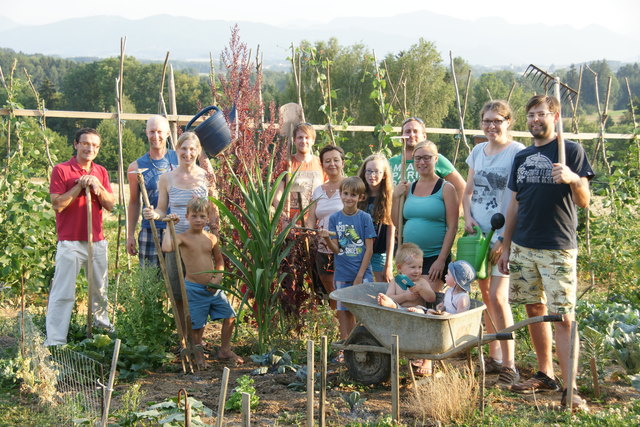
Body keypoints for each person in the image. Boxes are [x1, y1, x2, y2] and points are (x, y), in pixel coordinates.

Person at [498, 95, 594, 410]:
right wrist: (507, 244)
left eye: (541, 114)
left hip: (557, 247)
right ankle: (545, 373)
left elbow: (584, 201)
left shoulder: (572, 151)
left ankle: (571, 389)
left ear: (554, 116)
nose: (535, 120)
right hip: (524, 245)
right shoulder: (522, 156)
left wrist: (572, 179)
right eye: (531, 115)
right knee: (534, 309)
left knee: (564, 317)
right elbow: (514, 204)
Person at [462, 100, 525, 387]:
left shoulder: (517, 152)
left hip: (502, 237)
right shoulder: (477, 151)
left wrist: (504, 239)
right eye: (487, 121)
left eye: (497, 121)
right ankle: (494, 356)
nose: (491, 126)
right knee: (486, 297)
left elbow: (518, 199)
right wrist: (468, 218)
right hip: (478, 237)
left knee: (500, 298)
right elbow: (468, 191)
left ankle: (510, 365)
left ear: (508, 122)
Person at [45, 128, 115, 346]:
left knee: (100, 290)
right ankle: (55, 341)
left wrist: (97, 186)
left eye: (94, 145)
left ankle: (102, 335)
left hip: (97, 241)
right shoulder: (62, 170)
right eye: (85, 143)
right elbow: (58, 204)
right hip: (71, 242)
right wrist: (79, 186)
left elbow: (110, 204)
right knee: (63, 292)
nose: (90, 148)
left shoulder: (101, 171)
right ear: (76, 144)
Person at [143, 131, 217, 338]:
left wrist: (215, 236)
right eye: (183, 149)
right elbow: (161, 209)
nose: (188, 153)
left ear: (198, 152)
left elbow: (214, 210)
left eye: (192, 149)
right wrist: (153, 214)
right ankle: (184, 339)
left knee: (199, 291)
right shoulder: (166, 178)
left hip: (200, 244)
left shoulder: (205, 177)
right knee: (177, 292)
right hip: (175, 242)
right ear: (176, 151)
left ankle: (197, 340)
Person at [162, 197, 243, 366]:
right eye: (194, 216)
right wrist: (169, 228)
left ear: (207, 218)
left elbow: (219, 261)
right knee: (197, 324)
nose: (198, 220)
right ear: (187, 217)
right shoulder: (183, 238)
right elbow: (167, 247)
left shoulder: (211, 238)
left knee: (230, 316)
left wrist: (217, 278)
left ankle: (225, 349)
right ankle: (198, 355)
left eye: (202, 216)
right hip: (194, 288)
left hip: (213, 287)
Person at [392, 141, 459, 293]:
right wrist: (395, 197)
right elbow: (398, 223)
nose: (422, 162)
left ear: (436, 159)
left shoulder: (446, 188)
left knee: (425, 299)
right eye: (418, 158)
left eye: (427, 158)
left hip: (434, 257)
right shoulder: (408, 188)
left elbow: (453, 227)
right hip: (410, 259)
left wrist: (441, 260)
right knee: (408, 300)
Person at [319, 176, 376, 343]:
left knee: (364, 310)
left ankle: (364, 342)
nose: (348, 198)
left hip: (362, 272)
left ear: (360, 197)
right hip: (342, 273)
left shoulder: (364, 218)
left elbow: (369, 249)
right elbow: (337, 249)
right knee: (344, 310)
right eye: (345, 194)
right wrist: (327, 239)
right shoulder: (335, 218)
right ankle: (347, 343)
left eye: (353, 195)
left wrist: (360, 276)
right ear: (340, 194)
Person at [126, 115, 179, 266]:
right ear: (146, 133)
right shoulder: (136, 167)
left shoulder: (179, 160)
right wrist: (130, 235)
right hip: (151, 230)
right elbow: (134, 203)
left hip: (177, 228)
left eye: (160, 132)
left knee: (178, 281)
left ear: (168, 133)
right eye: (152, 132)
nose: (156, 136)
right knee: (150, 283)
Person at [389, 117, 466, 205]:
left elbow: (461, 188)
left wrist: (456, 213)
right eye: (407, 131)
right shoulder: (390, 163)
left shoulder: (434, 159)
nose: (411, 135)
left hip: (426, 216)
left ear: (424, 136)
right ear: (401, 136)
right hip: (393, 216)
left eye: (415, 131)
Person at [307, 145, 345, 306]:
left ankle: (351, 327)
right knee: (331, 291)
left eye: (336, 160)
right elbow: (311, 218)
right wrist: (309, 233)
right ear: (322, 165)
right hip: (323, 248)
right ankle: (339, 328)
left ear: (342, 162)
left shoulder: (351, 187)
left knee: (345, 290)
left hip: (345, 248)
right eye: (327, 161)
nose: (332, 164)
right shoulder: (318, 191)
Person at [377, 259, 474, 316]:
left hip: (448, 321)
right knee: (423, 309)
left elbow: (461, 317)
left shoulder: (462, 298)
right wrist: (441, 306)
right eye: (413, 267)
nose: (445, 276)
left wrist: (447, 315)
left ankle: (396, 307)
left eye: (448, 275)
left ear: (456, 281)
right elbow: (445, 304)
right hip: (440, 316)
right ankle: (396, 307)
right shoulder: (449, 291)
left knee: (423, 312)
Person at [274, 122, 326, 224]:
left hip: (316, 224)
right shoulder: (287, 164)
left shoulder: (320, 164)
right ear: (294, 140)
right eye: (300, 137)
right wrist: (284, 218)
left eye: (307, 138)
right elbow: (276, 198)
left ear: (313, 141)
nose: (303, 141)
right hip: (292, 225)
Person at [357, 153, 395, 282]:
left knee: (382, 285)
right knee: (360, 285)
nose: (372, 175)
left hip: (379, 251)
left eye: (377, 172)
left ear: (384, 175)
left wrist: (389, 265)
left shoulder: (389, 199)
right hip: (359, 251)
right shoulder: (358, 196)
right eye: (369, 171)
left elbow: (391, 232)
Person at [376, 242, 435, 311]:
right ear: (399, 267)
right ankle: (392, 306)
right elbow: (389, 297)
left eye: (420, 267)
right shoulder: (395, 282)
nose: (417, 271)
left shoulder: (421, 282)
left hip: (418, 310)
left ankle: (417, 311)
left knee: (422, 309)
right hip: (400, 310)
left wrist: (421, 289)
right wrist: (405, 297)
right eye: (413, 267)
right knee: (392, 304)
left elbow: (432, 299)